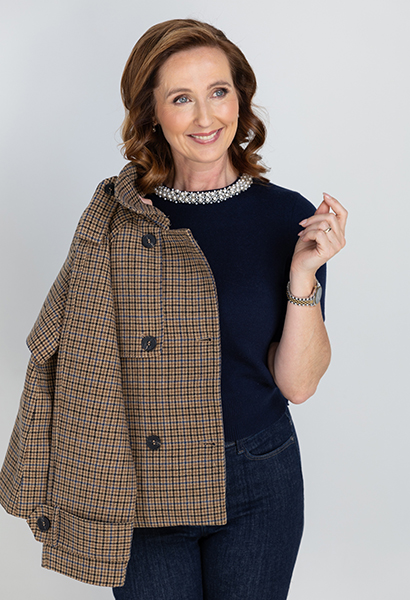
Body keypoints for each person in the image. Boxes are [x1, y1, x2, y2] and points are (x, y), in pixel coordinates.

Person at [0, 18, 347, 600]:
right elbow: (75, 356)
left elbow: (298, 384)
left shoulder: (288, 218)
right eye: (182, 98)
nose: (206, 117)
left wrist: (302, 275)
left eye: (219, 91)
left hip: (259, 476)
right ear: (152, 113)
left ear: (240, 99)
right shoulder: (117, 220)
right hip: (145, 478)